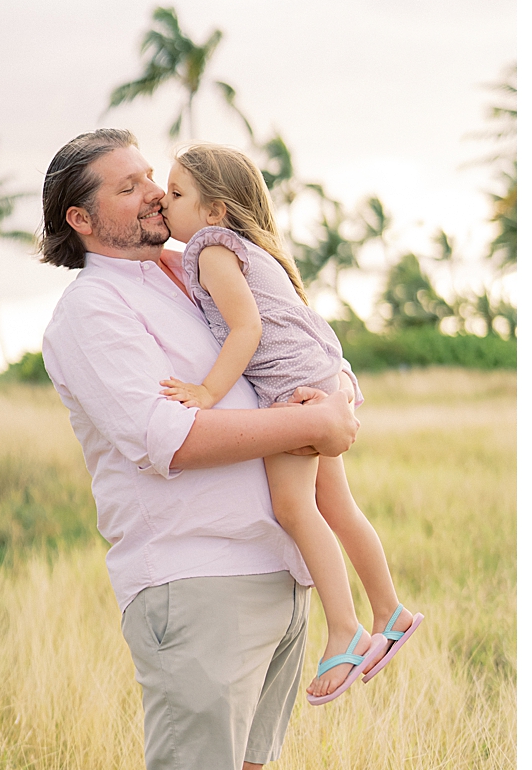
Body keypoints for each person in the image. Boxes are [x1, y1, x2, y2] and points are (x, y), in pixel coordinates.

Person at [37, 129, 360, 770]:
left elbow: (284, 344)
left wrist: (331, 400)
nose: (151, 192)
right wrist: (313, 422)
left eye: (152, 177)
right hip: (195, 577)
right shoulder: (92, 309)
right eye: (126, 186)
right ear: (80, 218)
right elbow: (164, 438)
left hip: (275, 569)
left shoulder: (195, 273)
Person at [158, 142, 423, 704]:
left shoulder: (211, 249)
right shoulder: (254, 251)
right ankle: (390, 610)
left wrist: (207, 391)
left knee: (295, 508)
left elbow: (246, 330)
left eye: (176, 192)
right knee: (338, 508)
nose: (163, 198)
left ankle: (346, 629)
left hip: (291, 393)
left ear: (214, 212)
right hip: (319, 378)